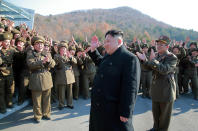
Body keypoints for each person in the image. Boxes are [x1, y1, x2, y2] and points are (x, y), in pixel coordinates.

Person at [88, 30, 141, 131]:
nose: (105, 44)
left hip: (114, 110)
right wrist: (93, 50)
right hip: (101, 107)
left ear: (119, 42)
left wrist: (126, 111)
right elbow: (101, 63)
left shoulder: (129, 59)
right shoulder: (109, 54)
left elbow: (131, 88)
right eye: (105, 41)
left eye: (108, 41)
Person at [137, 36, 177, 131]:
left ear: (167, 47)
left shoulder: (171, 57)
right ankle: (155, 128)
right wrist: (145, 61)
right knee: (156, 113)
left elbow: (164, 70)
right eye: (157, 44)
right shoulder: (156, 55)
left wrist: (152, 60)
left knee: (164, 117)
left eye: (161, 45)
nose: (158, 46)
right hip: (156, 89)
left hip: (166, 90)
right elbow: (148, 68)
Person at [26, 36, 55, 123]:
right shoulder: (30, 54)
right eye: (37, 44)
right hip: (36, 78)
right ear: (34, 45)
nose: (40, 46)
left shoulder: (47, 53)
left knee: (47, 99)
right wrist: (41, 62)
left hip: (46, 77)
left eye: (41, 44)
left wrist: (49, 62)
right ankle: (38, 116)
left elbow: (53, 64)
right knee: (37, 100)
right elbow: (30, 64)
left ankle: (46, 114)